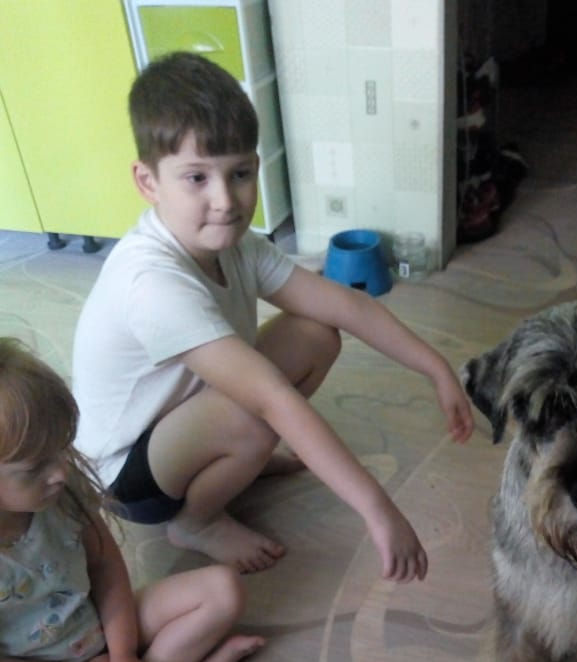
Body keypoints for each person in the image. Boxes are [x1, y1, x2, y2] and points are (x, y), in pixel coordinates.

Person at [72, 51, 474, 577]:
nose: (225, 200)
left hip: (176, 423)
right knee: (257, 415)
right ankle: (195, 521)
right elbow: (270, 398)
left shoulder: (237, 245)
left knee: (316, 334)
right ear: (148, 182)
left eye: (239, 173)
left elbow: (346, 305)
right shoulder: (152, 284)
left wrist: (436, 368)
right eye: (196, 178)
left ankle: (231, 460)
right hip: (126, 476)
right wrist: (378, 509)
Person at [0, 339, 264, 662]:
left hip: (98, 628)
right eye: (35, 466)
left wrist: (121, 653)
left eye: (62, 448)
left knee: (223, 589)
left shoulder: (60, 491)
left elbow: (106, 567)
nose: (60, 471)